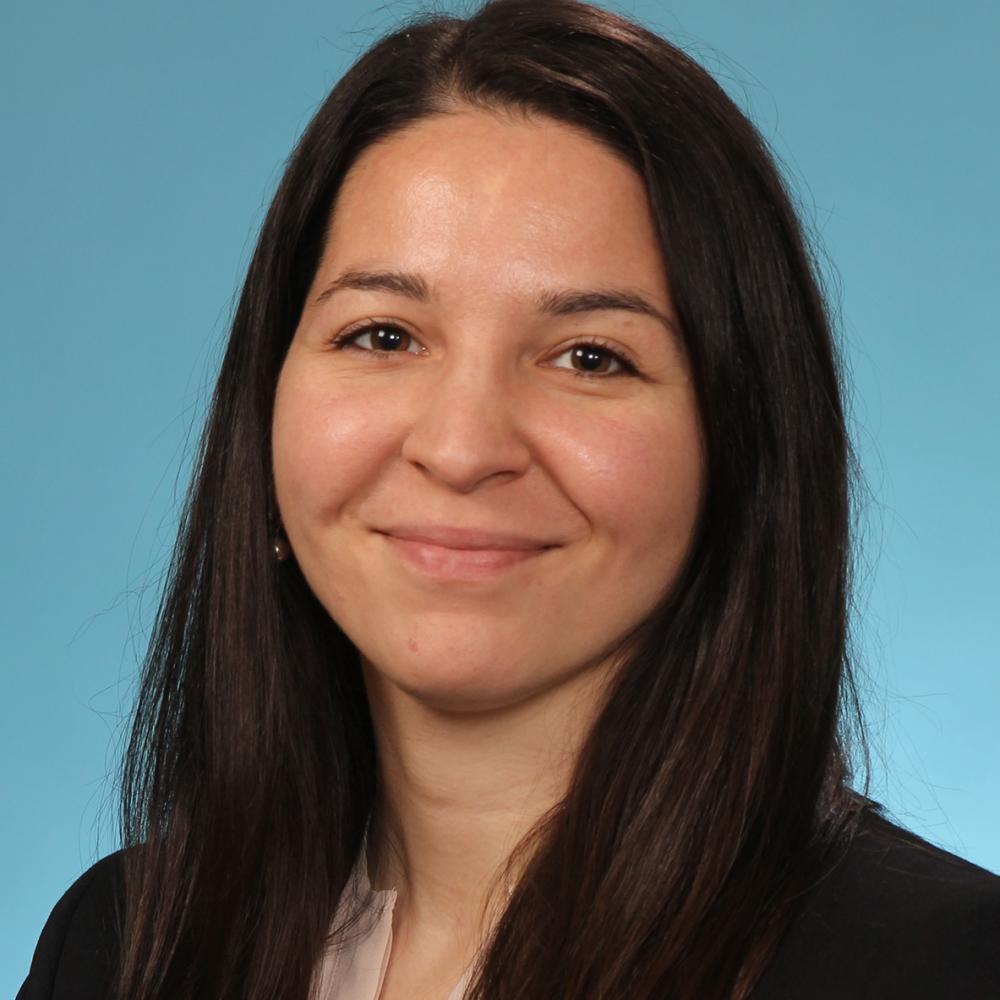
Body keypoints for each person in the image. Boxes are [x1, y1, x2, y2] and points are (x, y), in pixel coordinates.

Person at [17, 1, 1000, 998]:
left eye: (589, 356)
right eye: (383, 336)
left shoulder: (938, 964)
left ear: (741, 451)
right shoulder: (119, 942)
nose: (459, 447)